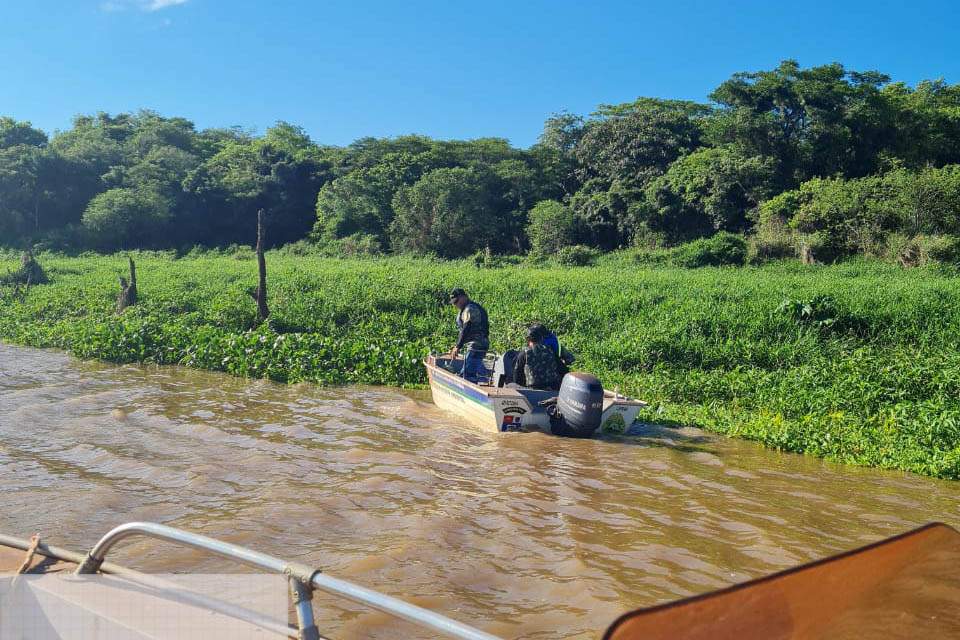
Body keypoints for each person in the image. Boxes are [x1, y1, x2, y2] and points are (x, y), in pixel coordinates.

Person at [448, 288, 490, 382]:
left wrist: (458, 346)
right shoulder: (470, 307)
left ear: (463, 297)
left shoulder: (470, 309)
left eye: (456, 301)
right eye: (454, 303)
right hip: (477, 345)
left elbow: (467, 328)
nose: (455, 304)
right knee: (471, 372)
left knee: (465, 376)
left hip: (476, 345)